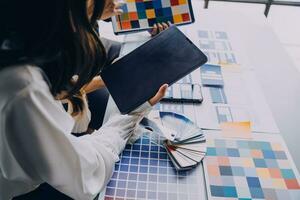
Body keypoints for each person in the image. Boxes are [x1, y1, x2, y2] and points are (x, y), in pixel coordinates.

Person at [0, 0, 169, 199]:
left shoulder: (19, 42)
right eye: (88, 6)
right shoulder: (23, 89)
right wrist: (131, 116)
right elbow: (86, 173)